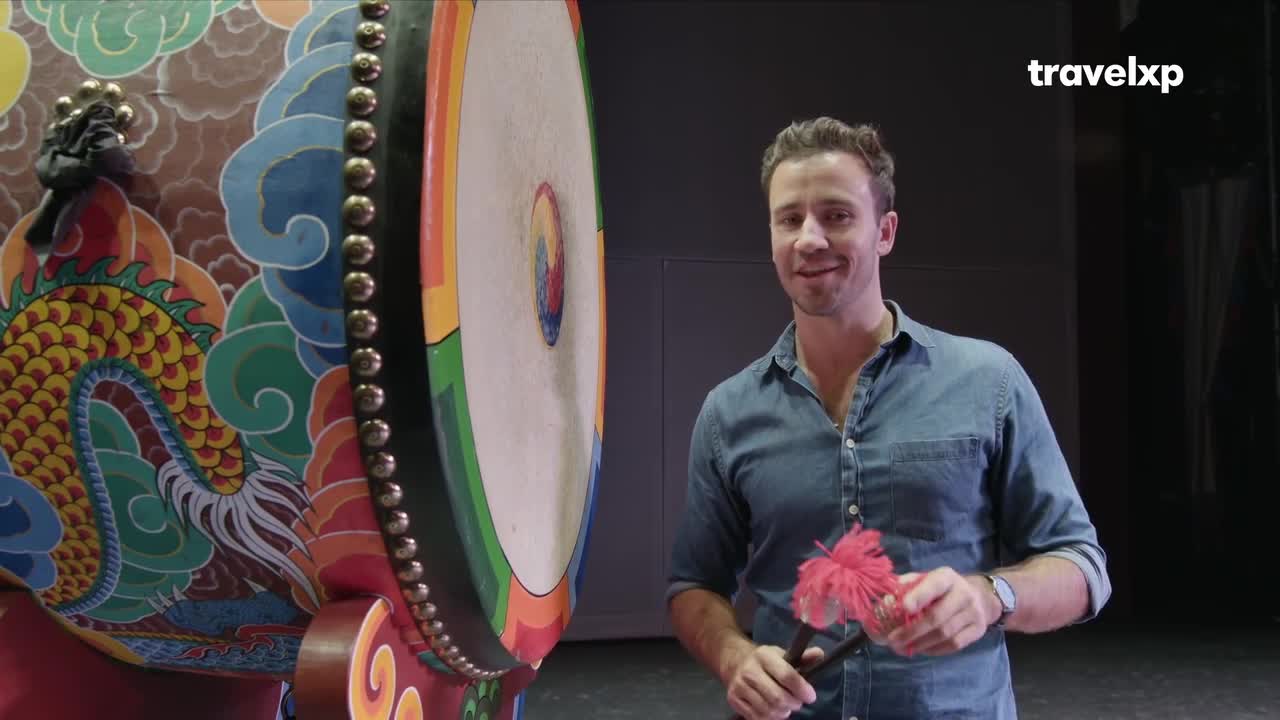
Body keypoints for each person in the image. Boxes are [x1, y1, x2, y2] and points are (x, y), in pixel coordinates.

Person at [666, 117, 1111, 720]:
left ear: (885, 232)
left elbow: (1081, 567)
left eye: (837, 215)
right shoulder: (729, 412)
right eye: (789, 219)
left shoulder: (989, 381)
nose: (810, 239)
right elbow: (693, 586)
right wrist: (734, 657)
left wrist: (989, 596)